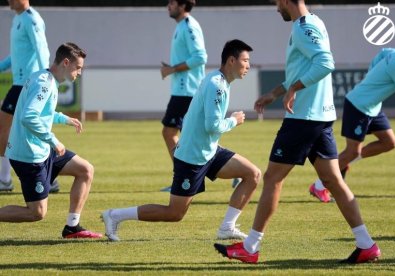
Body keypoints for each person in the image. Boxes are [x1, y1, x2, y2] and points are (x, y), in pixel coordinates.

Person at [214, 0, 380, 264]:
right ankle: (366, 244)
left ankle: (251, 246)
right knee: (333, 182)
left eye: (276, 1)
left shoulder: (304, 28)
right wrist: (276, 92)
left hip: (304, 118)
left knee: (272, 178)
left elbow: (326, 63)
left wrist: (294, 90)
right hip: (319, 117)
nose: (275, 6)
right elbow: (303, 69)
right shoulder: (312, 23)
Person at [102, 39, 260, 243]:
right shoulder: (217, 85)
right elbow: (212, 126)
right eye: (245, 60)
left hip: (210, 152)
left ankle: (227, 227)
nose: (248, 65)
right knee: (174, 213)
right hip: (191, 157)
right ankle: (115, 216)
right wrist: (233, 120)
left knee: (252, 174)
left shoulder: (219, 81)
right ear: (231, 60)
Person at [0, 42, 102, 239]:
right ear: (66, 62)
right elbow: (29, 117)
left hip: (42, 150)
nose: (79, 73)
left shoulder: (45, 77)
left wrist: (63, 119)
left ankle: (72, 227)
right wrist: (53, 139)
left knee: (85, 170)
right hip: (29, 156)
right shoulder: (44, 83)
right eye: (78, 67)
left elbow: (42, 112)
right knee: (36, 213)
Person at [309, 37, 395, 203]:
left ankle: (347, 160)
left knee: (389, 142)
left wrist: (372, 77)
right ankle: (319, 185)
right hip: (359, 106)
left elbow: (382, 52)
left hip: (373, 107)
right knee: (352, 152)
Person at [0, 0, 60, 193]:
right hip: (20, 84)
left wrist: (46, 77)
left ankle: (5, 180)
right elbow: (17, 54)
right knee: (24, 132)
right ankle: (49, 177)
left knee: (4, 129)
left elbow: (41, 48)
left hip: (26, 84)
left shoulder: (31, 19)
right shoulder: (18, 19)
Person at [159, 0, 207, 192]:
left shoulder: (189, 26)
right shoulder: (182, 25)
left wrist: (172, 69)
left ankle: (182, 179)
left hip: (187, 90)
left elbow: (200, 57)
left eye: (171, 2)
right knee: (197, 137)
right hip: (184, 90)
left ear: (182, 5)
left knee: (170, 132)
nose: (168, 6)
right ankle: (237, 172)